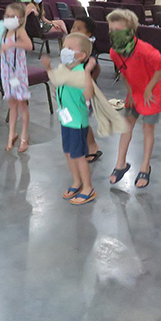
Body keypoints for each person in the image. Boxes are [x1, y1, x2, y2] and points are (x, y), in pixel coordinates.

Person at [107, 9, 161, 188]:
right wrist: (130, 92)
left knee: (148, 128)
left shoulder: (145, 50)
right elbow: (124, 72)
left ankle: (145, 166)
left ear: (130, 31)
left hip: (151, 93)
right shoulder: (114, 52)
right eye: (111, 30)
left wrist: (148, 89)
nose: (114, 34)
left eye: (119, 30)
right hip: (134, 92)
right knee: (126, 125)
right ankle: (120, 163)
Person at [42, 33, 97, 205]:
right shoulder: (65, 69)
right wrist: (49, 68)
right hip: (66, 120)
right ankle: (76, 181)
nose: (65, 50)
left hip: (77, 123)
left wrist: (87, 72)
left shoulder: (81, 73)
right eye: (64, 47)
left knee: (79, 155)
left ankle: (88, 188)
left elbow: (88, 94)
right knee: (68, 153)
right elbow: (56, 81)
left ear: (81, 55)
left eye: (70, 48)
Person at [0, 2, 33, 152]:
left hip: (18, 72)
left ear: (20, 19)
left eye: (13, 16)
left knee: (22, 103)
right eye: (7, 16)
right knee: (12, 103)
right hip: (6, 72)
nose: (9, 18)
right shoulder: (4, 30)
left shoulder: (19, 31)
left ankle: (24, 136)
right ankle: (11, 133)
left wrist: (12, 45)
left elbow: (29, 45)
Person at [71, 16, 102, 162]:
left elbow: (96, 68)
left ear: (88, 34)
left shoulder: (88, 50)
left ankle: (92, 145)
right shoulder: (71, 47)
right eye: (73, 27)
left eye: (79, 28)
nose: (74, 30)